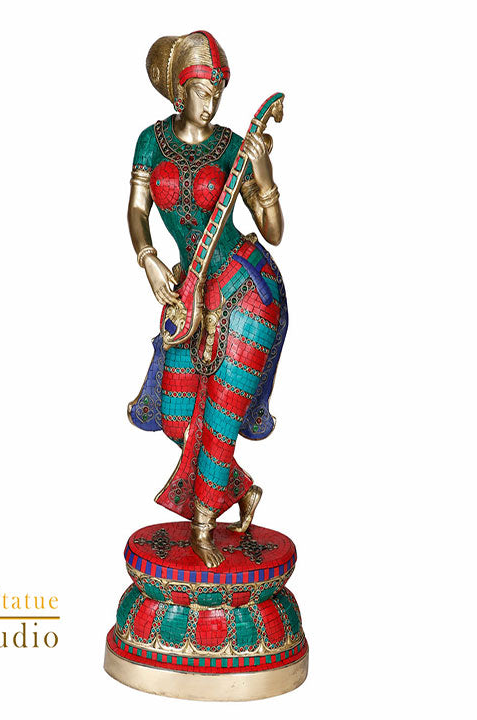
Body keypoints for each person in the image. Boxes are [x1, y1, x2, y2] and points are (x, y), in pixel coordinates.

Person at [128, 31, 287, 568]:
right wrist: (148, 258)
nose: (211, 101)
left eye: (217, 91)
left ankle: (201, 528)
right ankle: (240, 488)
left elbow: (274, 231)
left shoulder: (233, 148)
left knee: (220, 418)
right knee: (176, 414)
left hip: (248, 289)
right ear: (180, 90)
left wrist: (263, 174)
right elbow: (137, 209)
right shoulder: (150, 142)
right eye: (201, 90)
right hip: (189, 290)